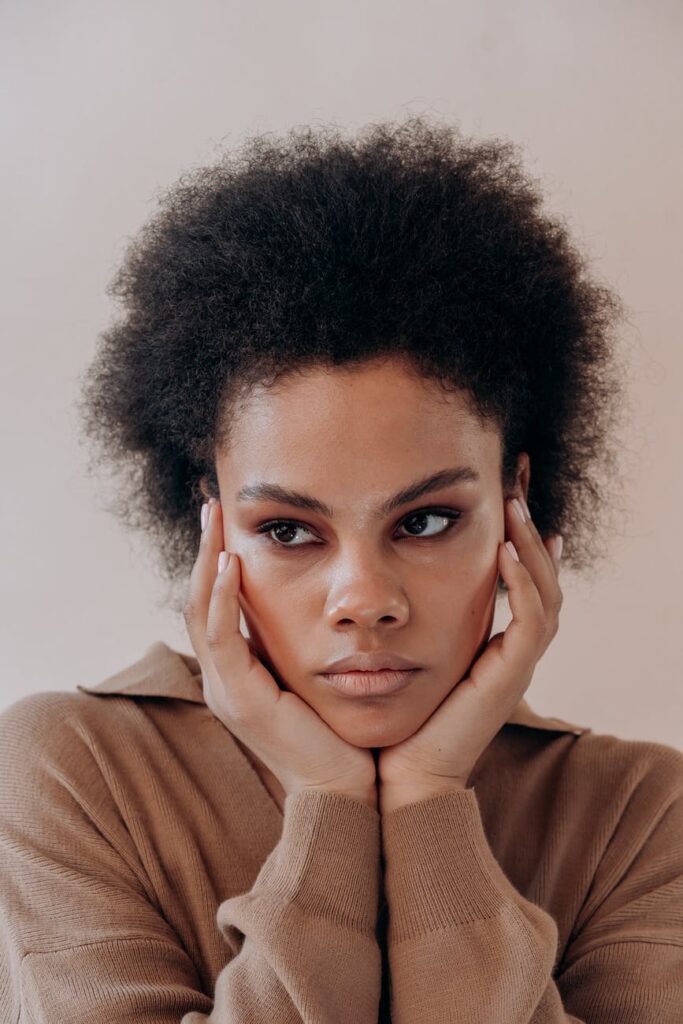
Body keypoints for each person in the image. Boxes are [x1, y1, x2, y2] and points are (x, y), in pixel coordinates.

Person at [0, 116, 680, 1023]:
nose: (364, 600)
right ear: (210, 514)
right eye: (288, 530)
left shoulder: (639, 815)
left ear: (517, 496)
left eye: (426, 519)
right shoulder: (76, 773)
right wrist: (328, 806)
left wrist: (430, 803)